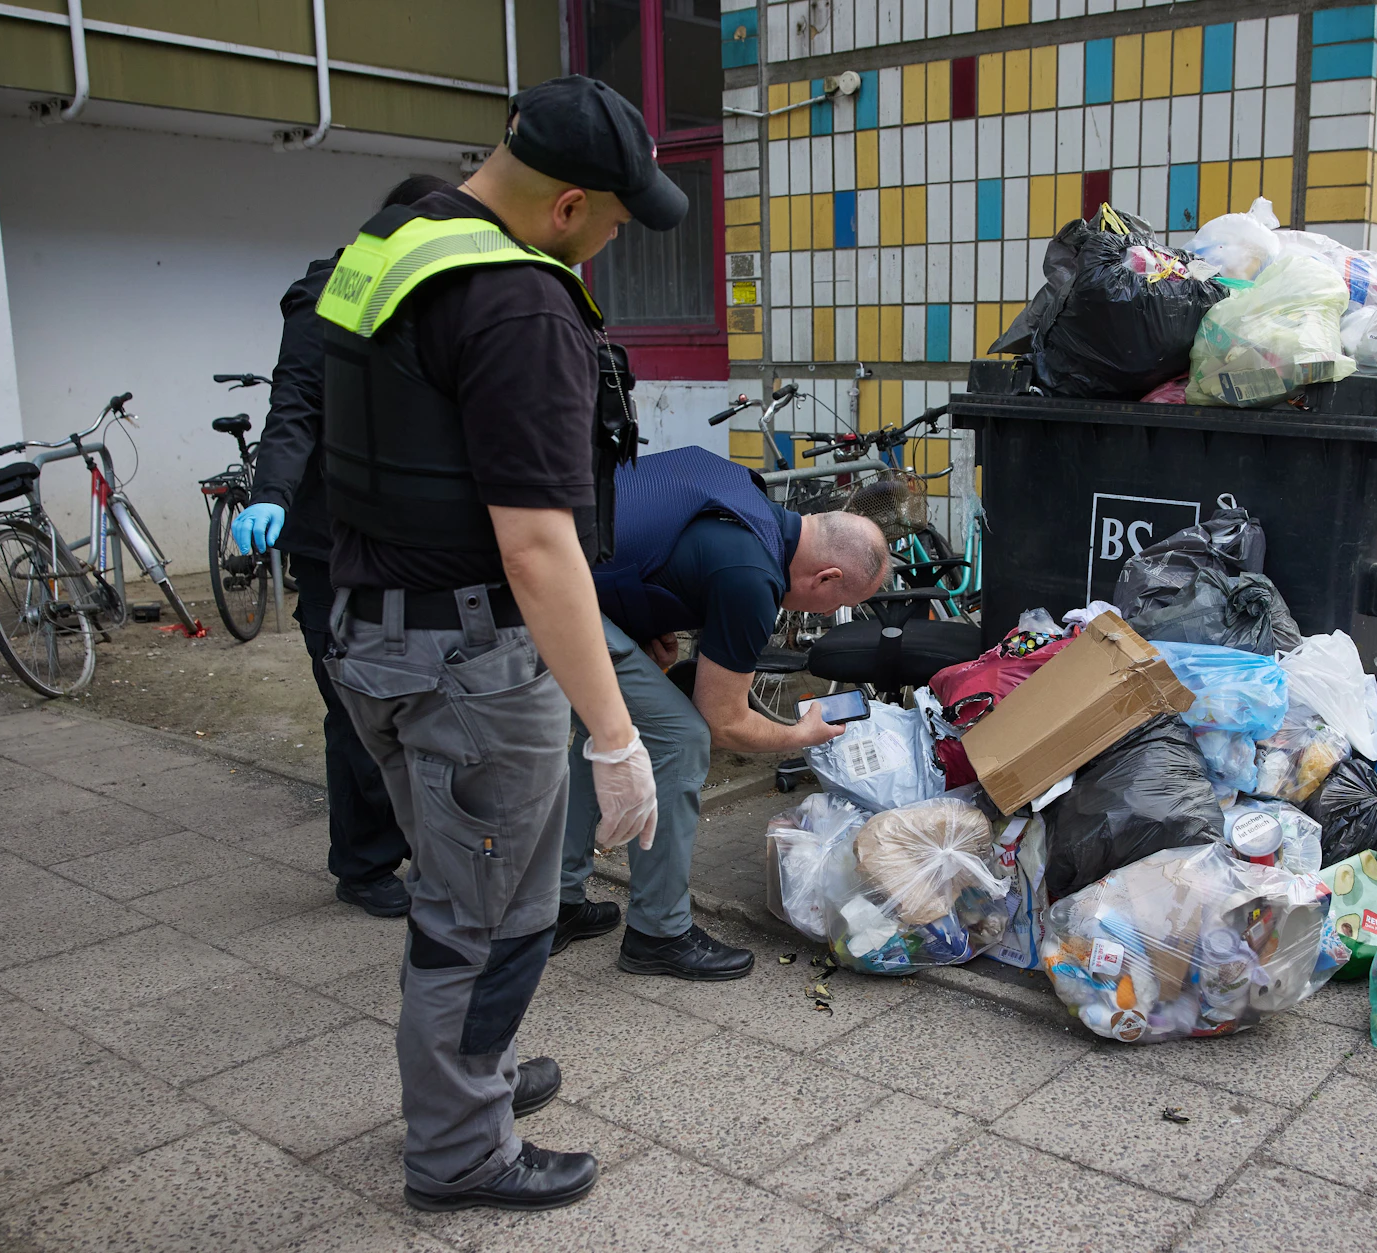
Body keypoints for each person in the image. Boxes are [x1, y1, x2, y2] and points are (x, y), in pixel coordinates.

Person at [312, 76, 682, 1213]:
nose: (610, 245)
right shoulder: (520, 304)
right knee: (489, 919)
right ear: (568, 206)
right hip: (468, 662)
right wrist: (615, 736)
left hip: (370, 631)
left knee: (457, 891)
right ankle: (460, 1150)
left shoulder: (395, 241)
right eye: (615, 224)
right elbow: (535, 545)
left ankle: (471, 1078)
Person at [555, 447, 891, 979]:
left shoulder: (741, 488)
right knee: (679, 737)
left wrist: (639, 621)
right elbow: (721, 720)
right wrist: (798, 734)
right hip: (540, 592)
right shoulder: (751, 576)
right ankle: (658, 934)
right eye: (834, 608)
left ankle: (557, 904)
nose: (825, 617)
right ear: (825, 578)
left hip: (544, 557)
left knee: (609, 719)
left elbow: (643, 527)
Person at [232, 174, 448, 919]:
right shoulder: (336, 289)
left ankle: (429, 845)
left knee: (416, 699)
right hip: (334, 543)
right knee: (355, 705)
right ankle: (362, 863)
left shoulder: (435, 291)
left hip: (410, 541)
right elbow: (295, 405)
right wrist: (269, 494)